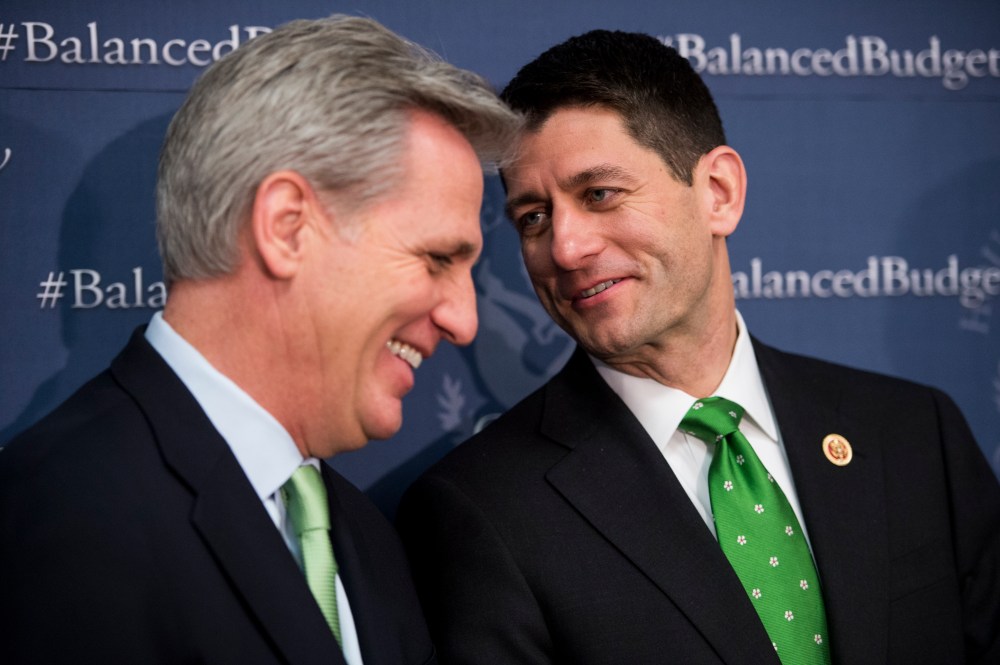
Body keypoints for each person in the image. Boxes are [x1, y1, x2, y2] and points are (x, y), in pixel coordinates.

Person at [396, 29, 1000, 665]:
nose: (565, 248)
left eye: (599, 194)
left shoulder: (914, 433)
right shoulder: (480, 510)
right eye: (534, 218)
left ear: (718, 192)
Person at [0, 15, 518, 665]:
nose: (463, 320)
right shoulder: (62, 517)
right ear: (286, 228)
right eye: (438, 258)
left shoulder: (363, 537)